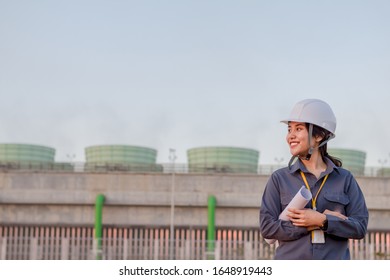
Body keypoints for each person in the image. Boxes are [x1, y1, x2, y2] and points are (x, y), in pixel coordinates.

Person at [259, 98, 369, 260]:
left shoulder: (345, 179)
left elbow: (359, 228)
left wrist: (324, 221)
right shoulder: (279, 179)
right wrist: (310, 223)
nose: (291, 136)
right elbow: (267, 228)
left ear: (319, 135)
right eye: (289, 129)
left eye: (298, 129)